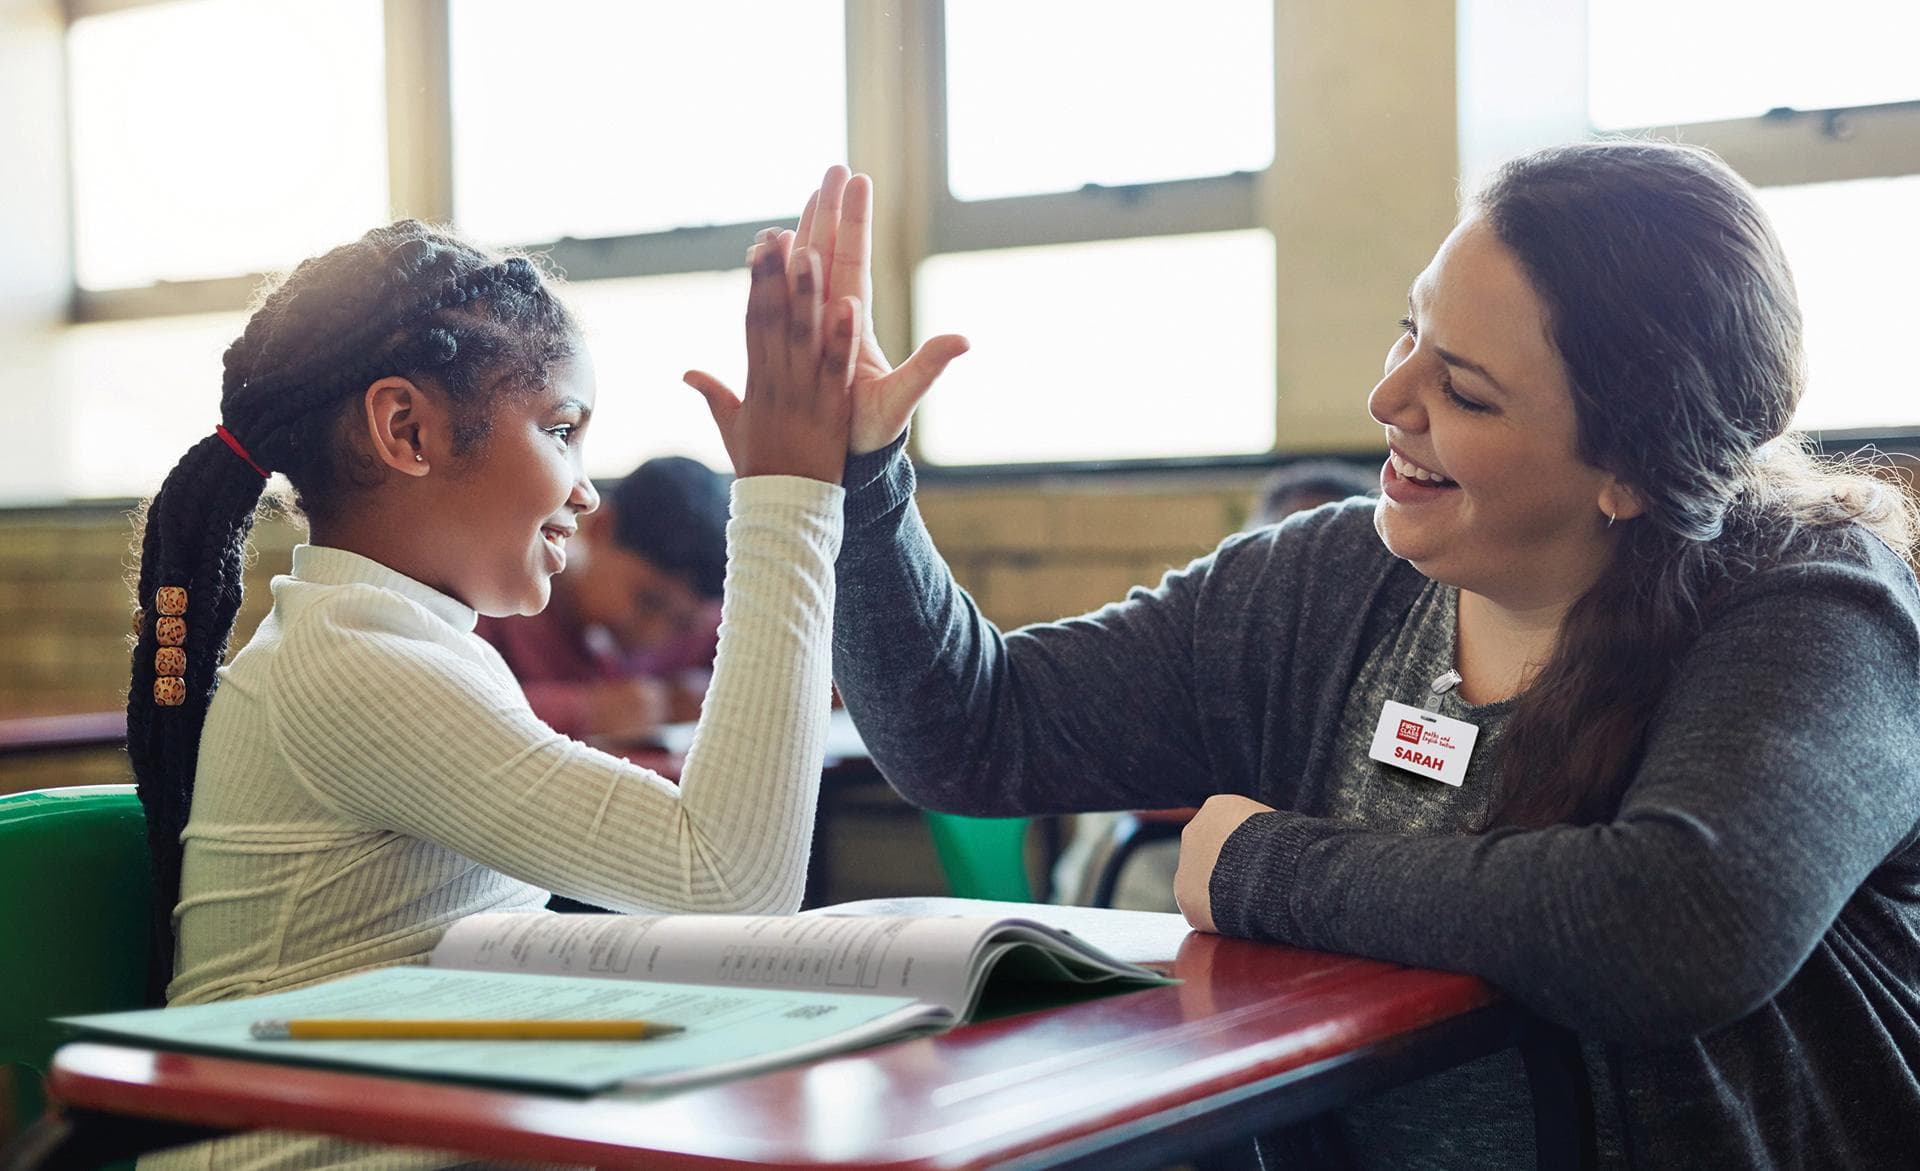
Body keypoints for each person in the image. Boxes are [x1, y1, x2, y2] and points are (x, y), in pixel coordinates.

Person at [798, 145, 1920, 1168]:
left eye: (1464, 390)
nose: (1388, 399)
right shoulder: (1323, 585)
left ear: (1628, 471)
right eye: (1410, 332)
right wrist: (858, 475)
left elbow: (1674, 923)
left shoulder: (1814, 606)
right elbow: (973, 733)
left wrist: (1257, 866)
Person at [127, 219, 860, 1168]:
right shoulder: (353, 664)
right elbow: (731, 880)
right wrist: (789, 495)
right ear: (408, 431)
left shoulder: (404, 638)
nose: (588, 494)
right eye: (562, 430)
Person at [475, 455, 729, 751]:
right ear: (600, 528)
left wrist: (715, 694)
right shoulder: (496, 593)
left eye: (681, 623)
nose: (654, 634)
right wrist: (589, 711)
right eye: (647, 602)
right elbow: (453, 706)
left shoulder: (700, 624)